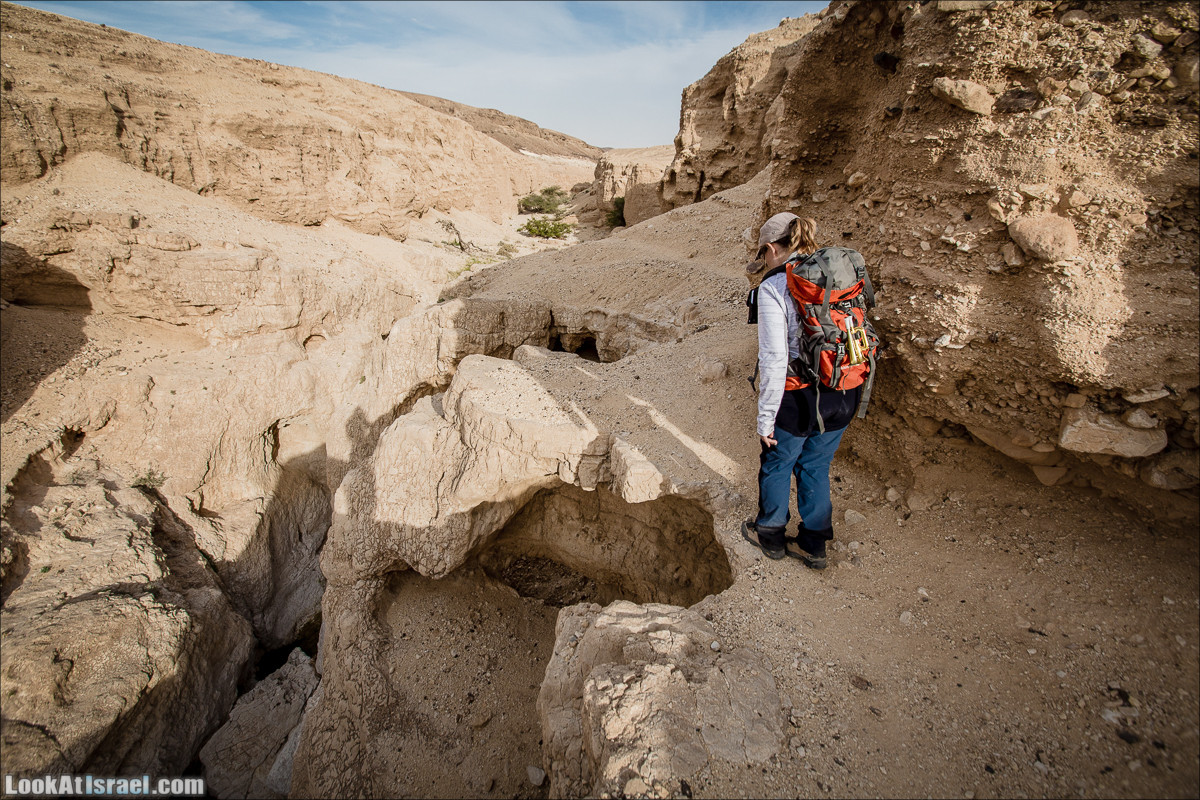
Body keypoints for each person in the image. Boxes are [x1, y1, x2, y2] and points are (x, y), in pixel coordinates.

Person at [741, 212, 861, 569]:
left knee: (778, 462)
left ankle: (772, 536)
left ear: (770, 249)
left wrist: (765, 419)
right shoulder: (839, 274)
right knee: (816, 465)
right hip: (844, 388)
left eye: (762, 255)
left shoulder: (774, 287)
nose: (763, 262)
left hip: (799, 397)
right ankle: (815, 544)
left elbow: (776, 358)